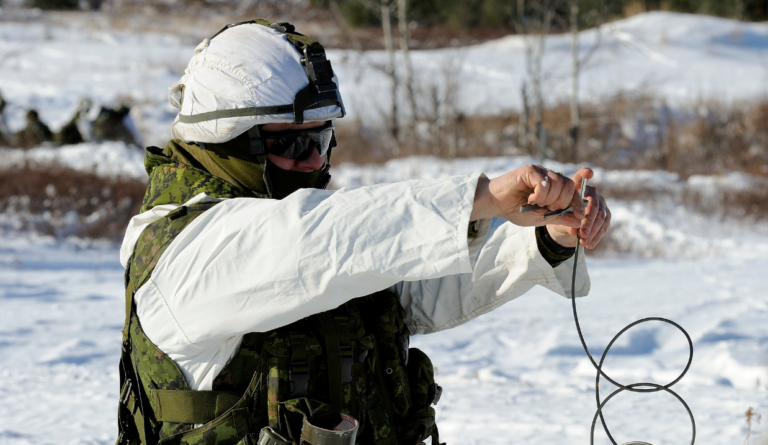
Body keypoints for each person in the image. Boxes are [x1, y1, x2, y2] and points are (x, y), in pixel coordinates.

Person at [116, 20, 611, 445]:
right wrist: (479, 196)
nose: (314, 159)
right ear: (225, 143)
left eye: (322, 137)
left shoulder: (326, 239)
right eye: (292, 141)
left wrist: (547, 238)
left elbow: (411, 291)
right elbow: (306, 243)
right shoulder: (184, 251)